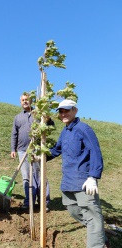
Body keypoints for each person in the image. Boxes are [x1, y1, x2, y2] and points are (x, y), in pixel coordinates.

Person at [47, 99, 108, 248]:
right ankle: (99, 234)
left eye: (67, 110)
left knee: (92, 215)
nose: (63, 114)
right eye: (61, 111)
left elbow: (95, 152)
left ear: (75, 110)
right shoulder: (65, 131)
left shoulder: (84, 129)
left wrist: (93, 176)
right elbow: (56, 150)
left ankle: (97, 243)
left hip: (83, 181)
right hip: (68, 181)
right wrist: (41, 156)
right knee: (73, 210)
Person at [11, 93, 51, 211]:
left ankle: (44, 202)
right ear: (20, 102)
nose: (25, 102)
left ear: (31, 101)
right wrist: (13, 149)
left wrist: (47, 119)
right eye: (22, 100)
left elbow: (50, 125)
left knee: (40, 175)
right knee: (26, 177)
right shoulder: (17, 117)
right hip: (22, 150)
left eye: (26, 100)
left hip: (37, 149)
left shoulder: (38, 114)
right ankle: (29, 202)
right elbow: (14, 134)